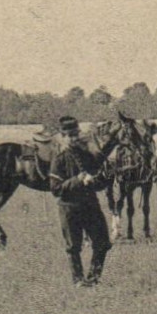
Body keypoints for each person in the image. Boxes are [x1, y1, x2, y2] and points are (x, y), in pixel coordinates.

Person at [47, 115, 111, 286]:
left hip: (90, 204)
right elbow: (55, 189)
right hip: (70, 207)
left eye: (76, 134)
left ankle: (94, 277)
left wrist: (103, 179)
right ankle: (78, 280)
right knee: (73, 246)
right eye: (70, 135)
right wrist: (77, 180)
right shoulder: (59, 159)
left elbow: (96, 182)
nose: (74, 138)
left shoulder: (87, 155)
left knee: (103, 243)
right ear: (64, 137)